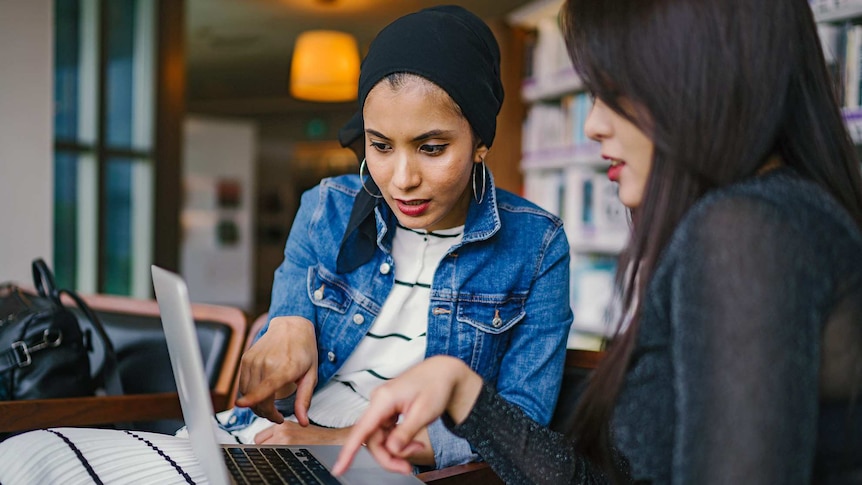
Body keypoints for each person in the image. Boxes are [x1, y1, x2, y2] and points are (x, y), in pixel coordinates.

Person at [333, 0, 862, 482]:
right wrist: (464, 392)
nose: (594, 125)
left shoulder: (747, 232)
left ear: (700, 79)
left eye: (614, 93)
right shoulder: (769, 218)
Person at [223, 3, 573, 471]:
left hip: (383, 465)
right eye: (381, 146)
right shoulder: (327, 206)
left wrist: (337, 441)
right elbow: (287, 321)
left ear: (481, 143)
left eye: (431, 148)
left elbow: (516, 429)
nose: (402, 179)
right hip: (273, 439)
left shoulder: (538, 246)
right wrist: (287, 324)